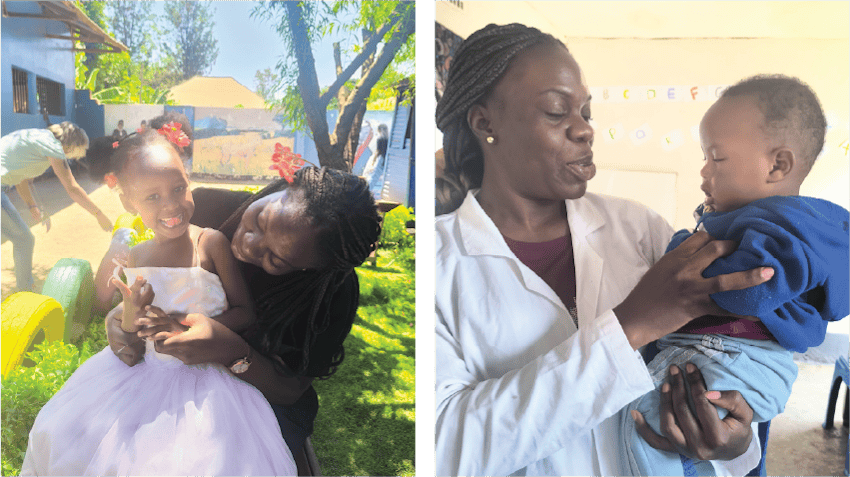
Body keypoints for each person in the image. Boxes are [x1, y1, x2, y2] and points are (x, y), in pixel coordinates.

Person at [434, 23, 774, 476]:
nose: (585, 130)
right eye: (557, 112)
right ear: (485, 123)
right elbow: (447, 448)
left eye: (586, 111)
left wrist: (733, 442)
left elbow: (730, 358)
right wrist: (631, 325)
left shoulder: (639, 229)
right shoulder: (437, 263)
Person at [21, 128, 297, 476]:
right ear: (127, 203)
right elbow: (131, 330)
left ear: (188, 180)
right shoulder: (136, 255)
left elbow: (245, 313)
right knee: (81, 439)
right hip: (143, 374)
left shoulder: (209, 243)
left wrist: (186, 326)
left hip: (206, 377)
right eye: (152, 197)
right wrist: (132, 311)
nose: (171, 205)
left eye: (179, 188)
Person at [620, 74, 850, 476]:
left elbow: (751, 289)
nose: (705, 174)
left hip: (731, 357)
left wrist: (681, 256)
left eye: (717, 158)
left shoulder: (779, 225)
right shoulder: (786, 221)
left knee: (641, 423)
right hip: (740, 360)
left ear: (778, 165)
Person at [103, 166, 383, 461]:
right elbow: (159, 276)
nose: (246, 246)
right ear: (283, 185)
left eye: (275, 259)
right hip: (162, 377)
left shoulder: (332, 292)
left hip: (262, 398)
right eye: (260, 221)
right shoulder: (202, 207)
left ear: (310, 268)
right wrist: (124, 314)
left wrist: (232, 352)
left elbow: (289, 390)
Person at [0, 122, 112, 291]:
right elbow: (72, 187)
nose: (73, 158)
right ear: (70, 145)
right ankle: (26, 290)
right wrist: (99, 214)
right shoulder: (53, 146)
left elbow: (20, 177)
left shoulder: (37, 138)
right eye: (76, 153)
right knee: (24, 240)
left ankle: (25, 287)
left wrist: (33, 206)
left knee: (22, 239)